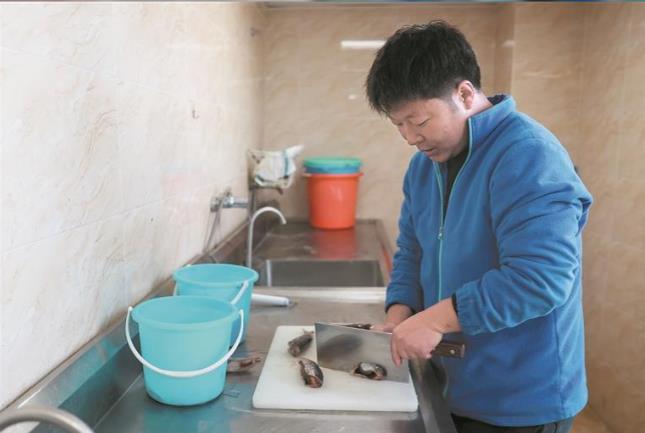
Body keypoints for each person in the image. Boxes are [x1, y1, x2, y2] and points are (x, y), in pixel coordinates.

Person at [365, 20, 592, 433]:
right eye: (399, 125)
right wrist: (400, 313)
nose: (411, 138)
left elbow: (540, 278)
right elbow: (412, 251)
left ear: (465, 94)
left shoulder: (529, 155)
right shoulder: (422, 168)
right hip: (451, 384)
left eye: (419, 121)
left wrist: (434, 321)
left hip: (522, 400)